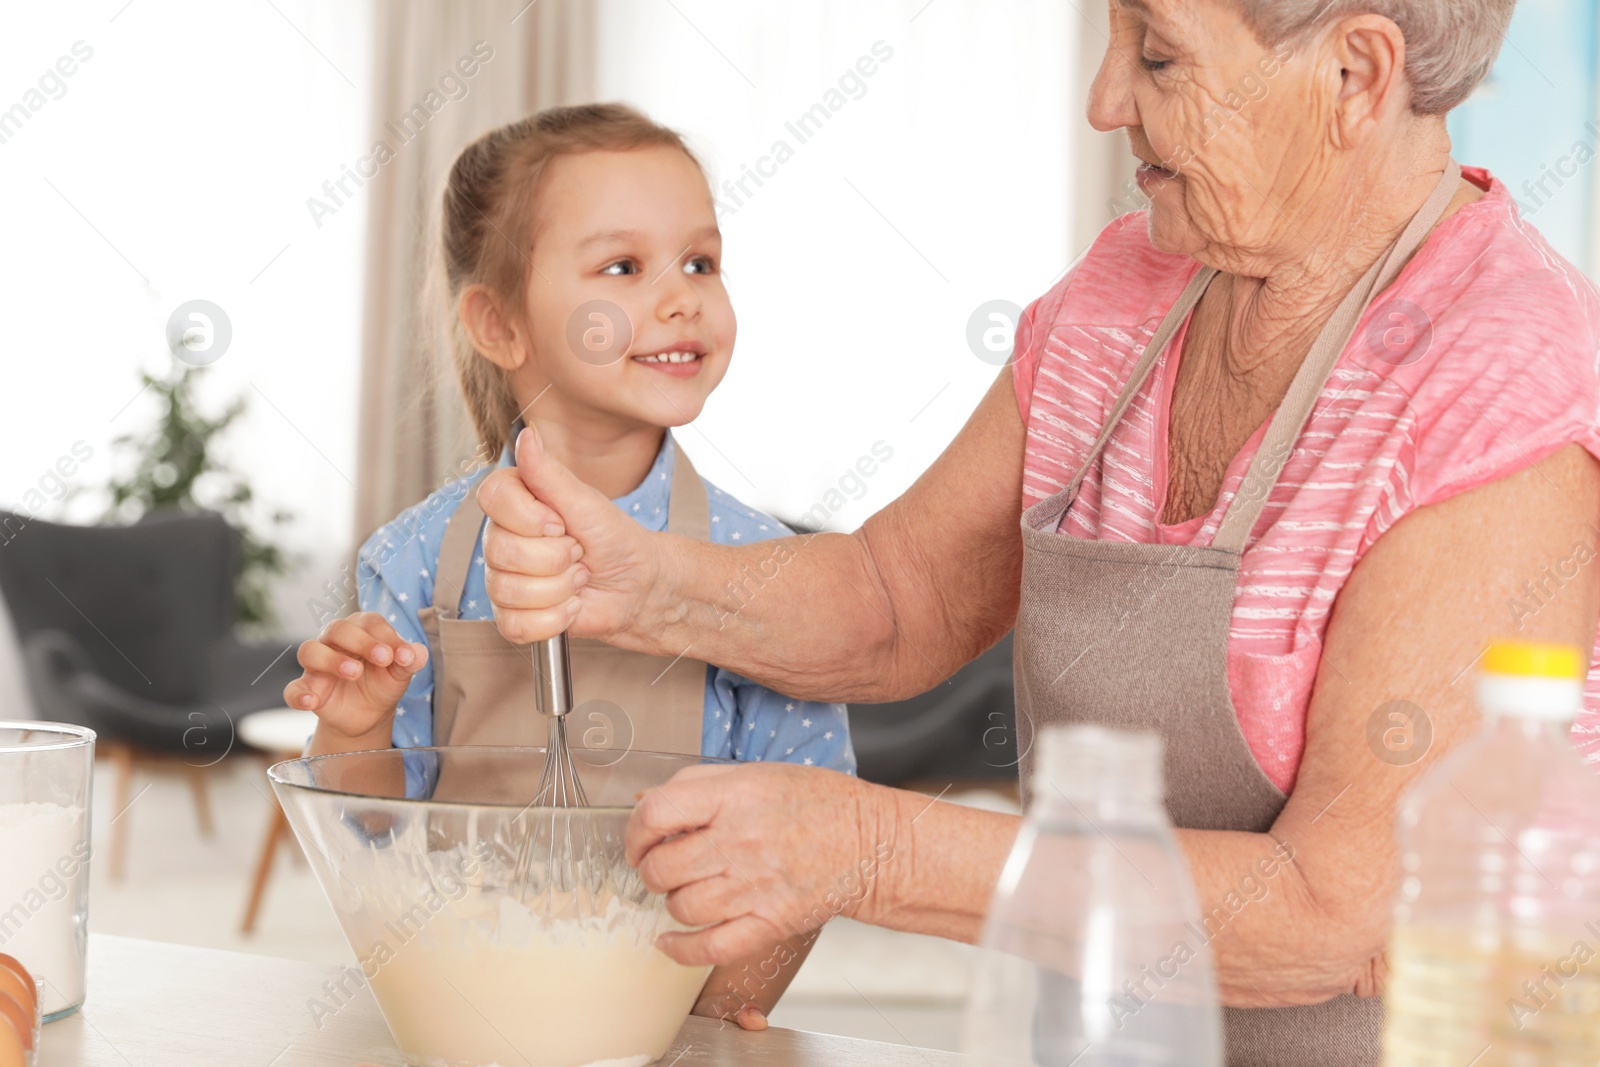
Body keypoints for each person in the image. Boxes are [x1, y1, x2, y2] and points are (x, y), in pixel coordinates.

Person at [471, 3, 1600, 1064]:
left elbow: (1335, 908)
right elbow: (896, 595)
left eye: (1156, 53)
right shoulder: (1132, 285)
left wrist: (868, 850)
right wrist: (634, 580)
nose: (1106, 99)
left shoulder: (1500, 374)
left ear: (1353, 75)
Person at [283, 103, 854, 1028]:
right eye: (623, 267)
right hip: (474, 1004)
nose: (681, 296)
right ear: (499, 325)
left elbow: (816, 828)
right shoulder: (417, 558)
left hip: (671, 1010)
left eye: (700, 262)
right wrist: (359, 729)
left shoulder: (763, 569)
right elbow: (379, 831)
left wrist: (700, 1023)